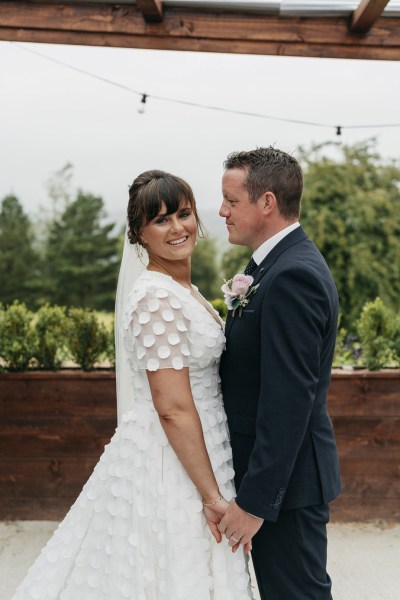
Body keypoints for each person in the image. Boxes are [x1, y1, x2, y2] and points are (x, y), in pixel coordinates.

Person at [11, 170, 254, 600]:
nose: (177, 227)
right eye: (161, 220)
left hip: (206, 445)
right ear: (139, 234)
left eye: (183, 213)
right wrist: (212, 496)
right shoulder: (155, 296)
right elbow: (172, 407)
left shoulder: (185, 289)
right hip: (169, 460)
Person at [218, 147, 342, 600]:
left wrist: (256, 503)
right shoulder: (272, 265)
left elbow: (288, 400)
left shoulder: (293, 275)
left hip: (286, 489)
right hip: (273, 483)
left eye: (232, 201)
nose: (222, 211)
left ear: (266, 202)